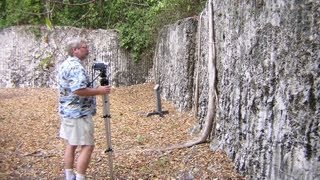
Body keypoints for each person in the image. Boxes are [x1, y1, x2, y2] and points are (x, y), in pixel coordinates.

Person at [57, 38, 111, 180]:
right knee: (87, 145)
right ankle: (80, 177)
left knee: (71, 143)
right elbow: (79, 90)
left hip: (67, 112)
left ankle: (69, 175)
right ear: (75, 50)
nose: (88, 49)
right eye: (84, 47)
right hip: (78, 114)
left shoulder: (66, 64)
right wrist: (99, 91)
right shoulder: (75, 67)